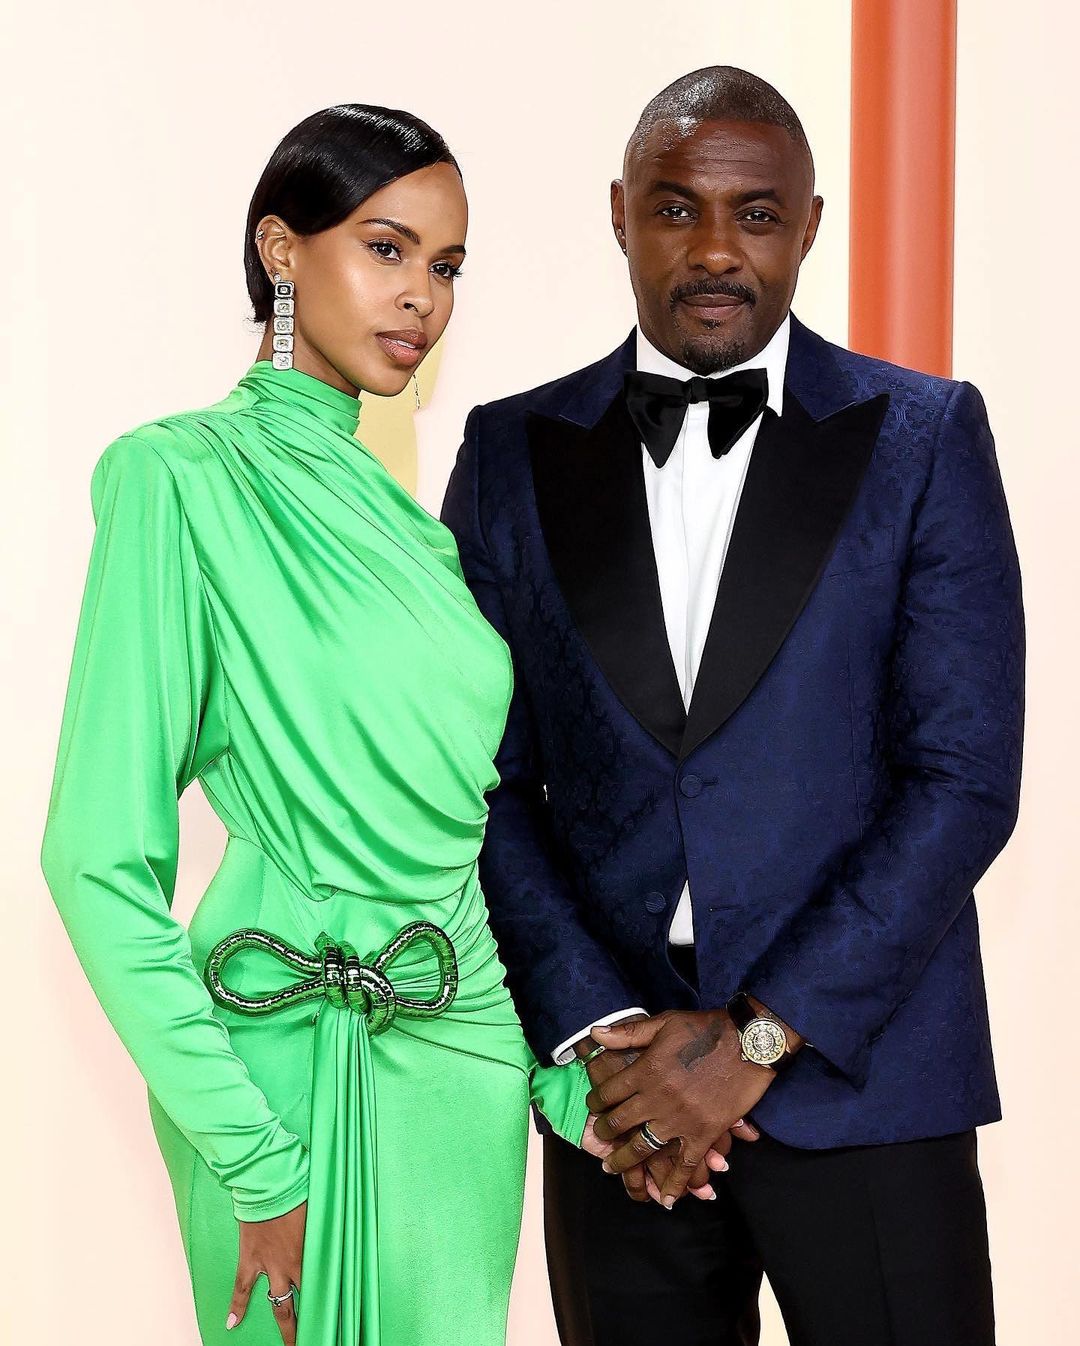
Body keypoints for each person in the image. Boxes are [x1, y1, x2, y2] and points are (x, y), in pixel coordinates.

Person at [440, 66, 1023, 1346]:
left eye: (756, 214)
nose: (714, 251)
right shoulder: (507, 452)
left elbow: (965, 778)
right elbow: (482, 781)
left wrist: (755, 1040)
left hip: (867, 1082)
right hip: (620, 1103)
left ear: (809, 224)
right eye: (674, 209)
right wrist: (601, 1030)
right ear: (619, 213)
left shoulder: (925, 437)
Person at [40, 103, 603, 1346]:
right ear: (282, 249)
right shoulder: (178, 478)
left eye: (446, 266)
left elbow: (457, 836)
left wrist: (554, 1072)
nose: (422, 297)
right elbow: (92, 856)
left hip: (460, 1064)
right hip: (275, 1070)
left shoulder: (416, 533)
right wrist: (250, 1152)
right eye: (386, 248)